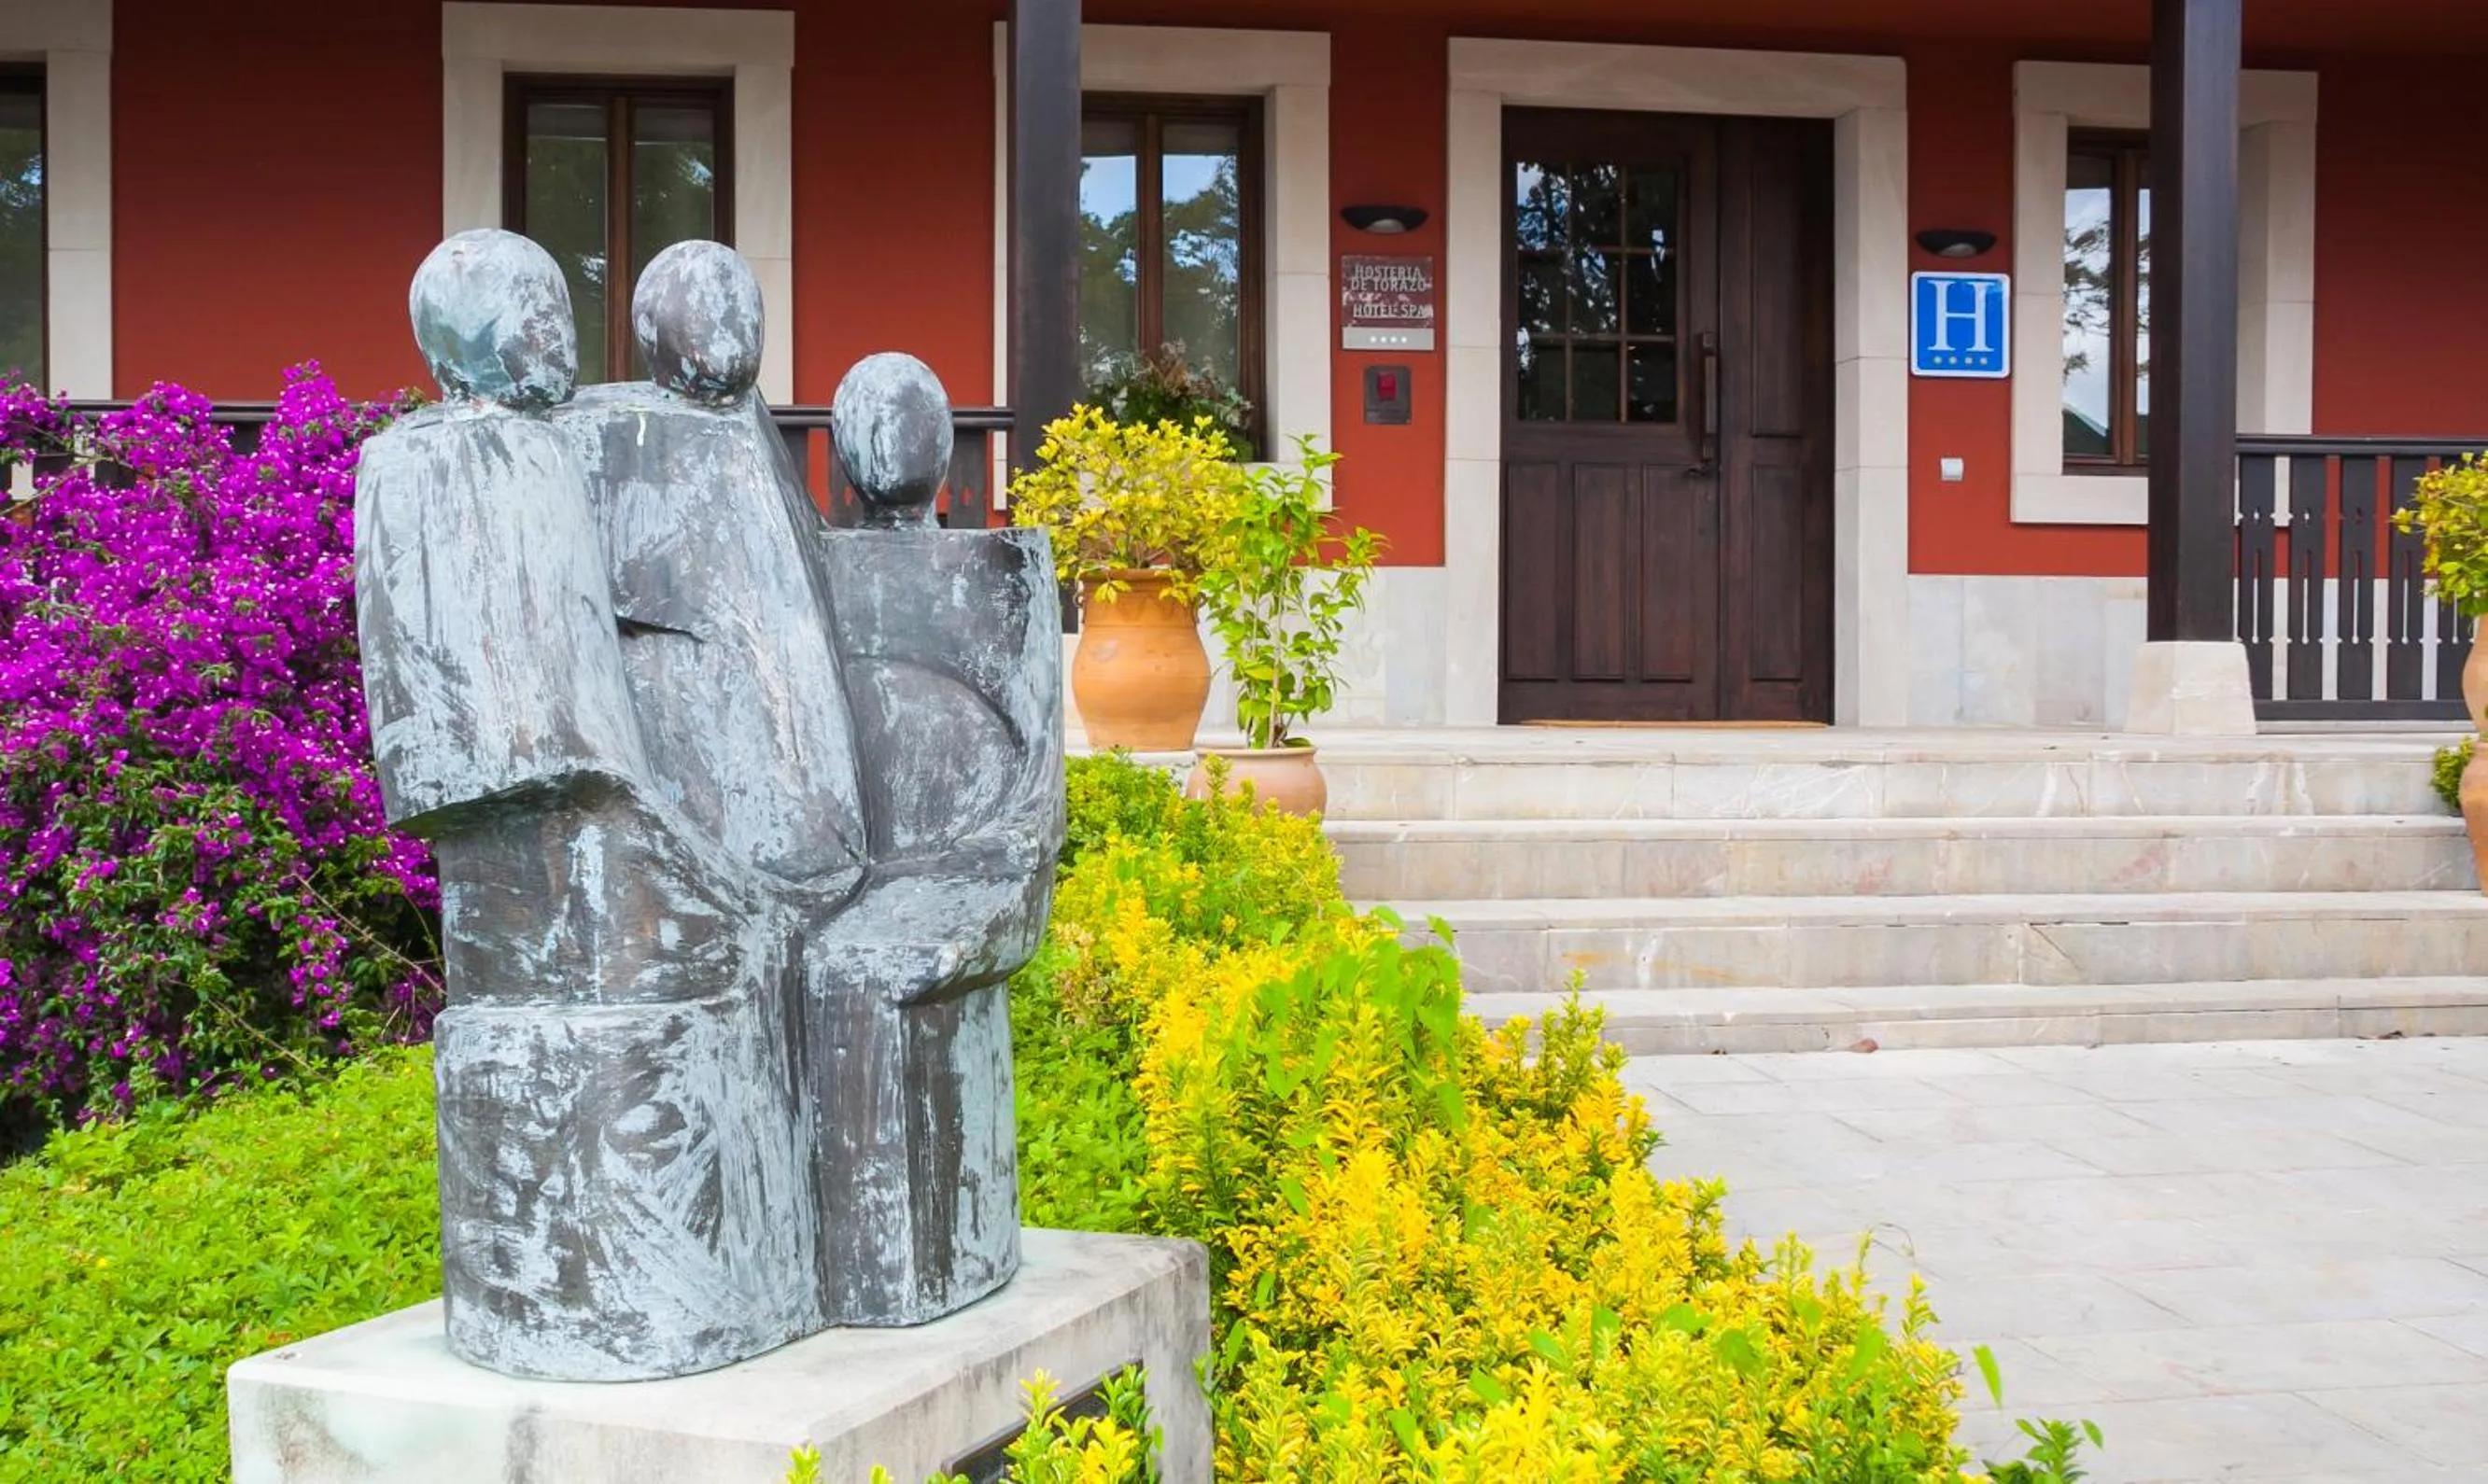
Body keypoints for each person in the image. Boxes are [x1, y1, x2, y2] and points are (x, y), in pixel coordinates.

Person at [356, 229, 819, 1382]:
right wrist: (666, 841)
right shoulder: (471, 460)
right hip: (562, 837)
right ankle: (714, 1282)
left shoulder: (517, 453)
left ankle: (752, 1279)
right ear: (461, 346)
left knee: (759, 920)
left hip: (582, 821)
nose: (561, 338)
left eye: (563, 310)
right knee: (752, 935)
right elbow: (535, 729)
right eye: (536, 315)